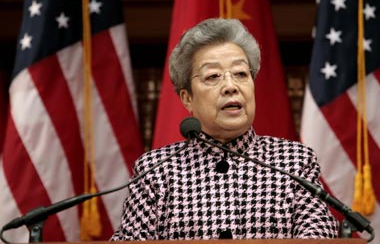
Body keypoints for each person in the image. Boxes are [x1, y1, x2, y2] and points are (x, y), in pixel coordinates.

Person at [111, 18, 339, 240]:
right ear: (187, 98)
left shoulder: (294, 162)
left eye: (241, 74)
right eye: (213, 76)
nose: (231, 86)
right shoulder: (156, 172)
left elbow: (319, 236)